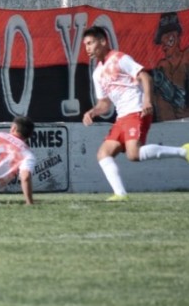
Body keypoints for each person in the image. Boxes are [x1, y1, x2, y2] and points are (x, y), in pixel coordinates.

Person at [81, 25, 189, 202]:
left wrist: (147, 100)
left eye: (91, 43)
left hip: (136, 109)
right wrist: (92, 112)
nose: (88, 48)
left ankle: (183, 151)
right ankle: (121, 195)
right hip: (121, 117)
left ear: (102, 41)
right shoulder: (97, 73)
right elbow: (105, 103)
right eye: (85, 45)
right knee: (103, 154)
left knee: (134, 153)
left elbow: (145, 77)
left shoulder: (119, 58)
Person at [150, 12, 189, 121]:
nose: (164, 45)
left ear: (176, 36)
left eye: (168, 38)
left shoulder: (186, 57)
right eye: (162, 40)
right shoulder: (161, 67)